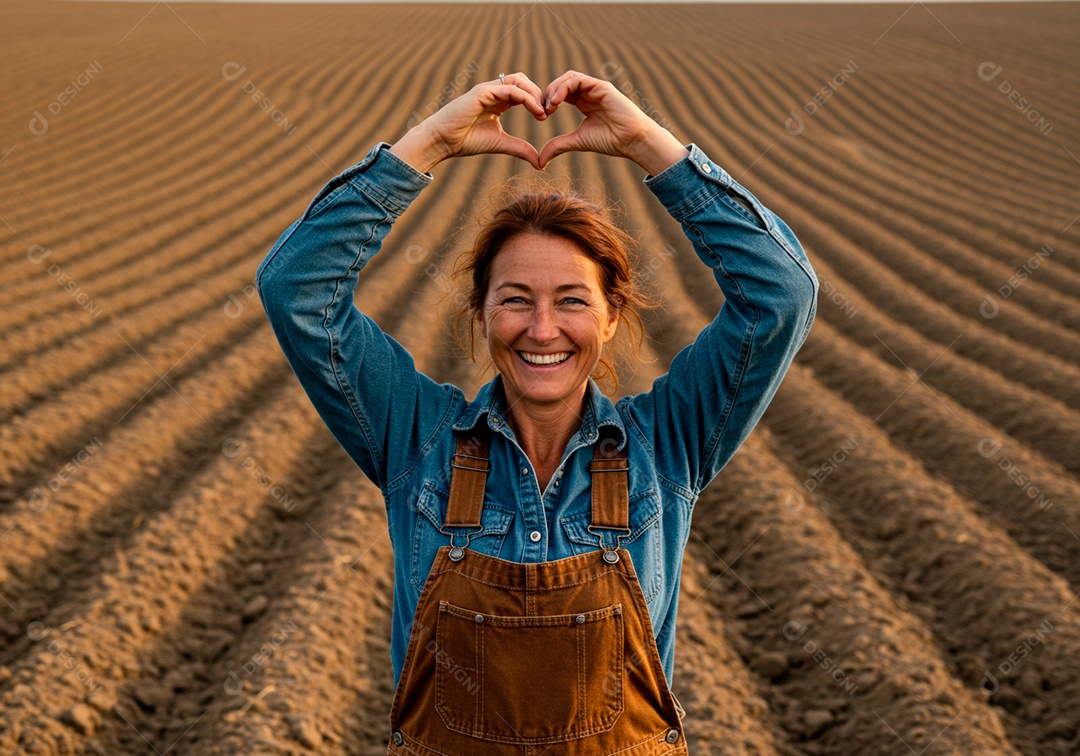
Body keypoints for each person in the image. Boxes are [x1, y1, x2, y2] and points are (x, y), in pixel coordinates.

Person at [256, 70, 818, 755]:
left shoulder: (667, 446)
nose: (542, 329)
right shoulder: (417, 440)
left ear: (612, 317)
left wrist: (647, 144)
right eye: (516, 298)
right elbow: (297, 289)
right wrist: (430, 143)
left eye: (573, 301)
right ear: (483, 312)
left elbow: (781, 295)